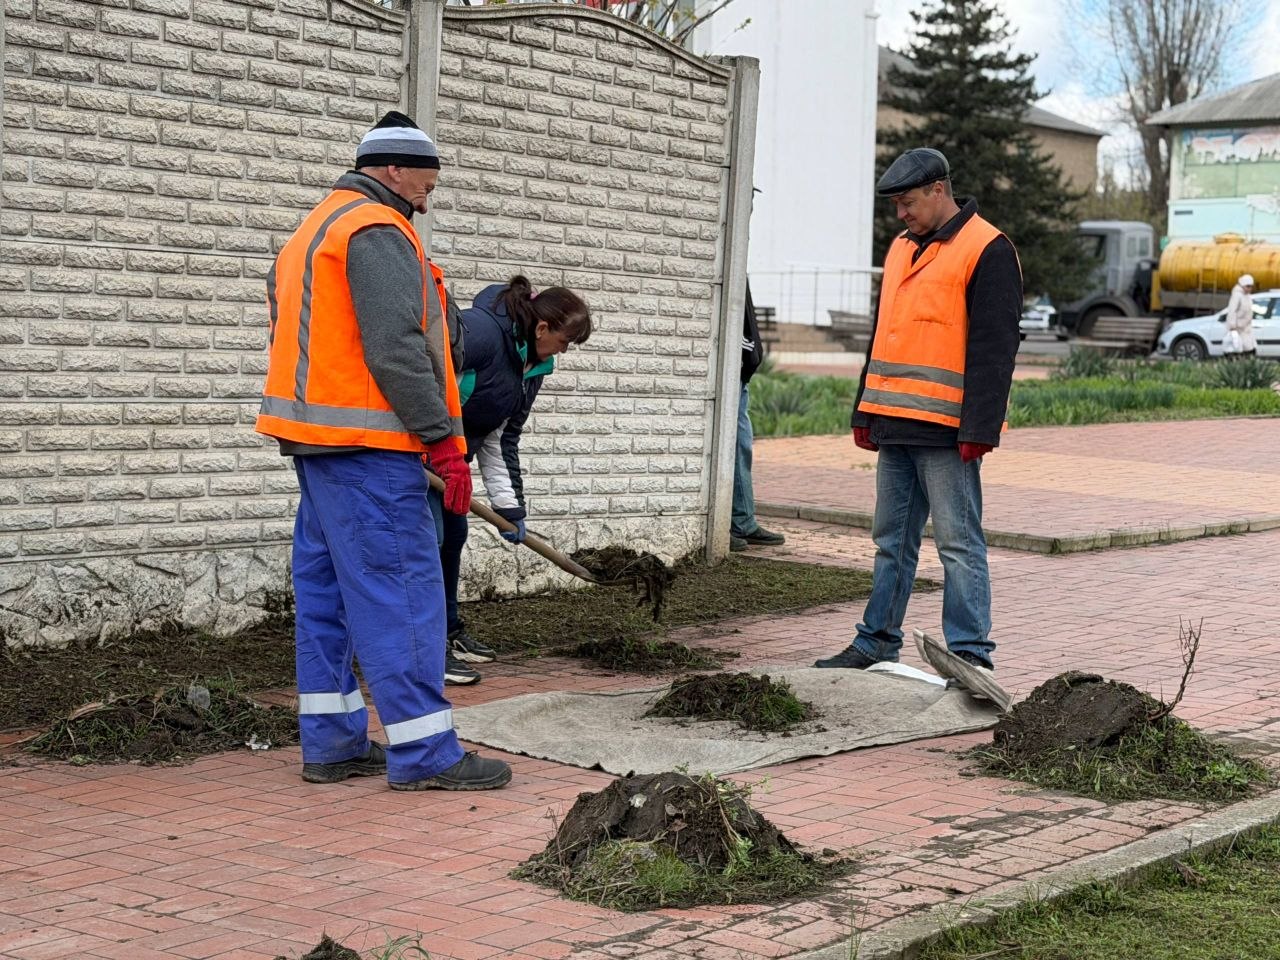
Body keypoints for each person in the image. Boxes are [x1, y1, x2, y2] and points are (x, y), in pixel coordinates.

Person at [256, 110, 511, 791]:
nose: (429, 197)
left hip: (318, 448)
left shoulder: (312, 231)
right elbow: (396, 347)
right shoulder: (374, 230)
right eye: (427, 183)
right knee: (401, 594)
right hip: (372, 450)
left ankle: (333, 743)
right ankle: (427, 753)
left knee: (329, 599)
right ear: (393, 169)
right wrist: (440, 440)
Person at [814, 147, 1021, 688]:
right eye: (896, 206)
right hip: (894, 422)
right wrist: (866, 407)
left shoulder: (987, 248)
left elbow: (994, 351)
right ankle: (876, 641)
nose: (900, 215)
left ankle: (972, 657)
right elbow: (886, 333)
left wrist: (980, 429)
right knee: (891, 541)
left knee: (957, 543)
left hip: (948, 431)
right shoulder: (902, 248)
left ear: (938, 189)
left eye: (907, 203)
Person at [432, 276, 593, 681]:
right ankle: (426, 649)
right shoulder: (481, 333)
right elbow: (424, 379)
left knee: (452, 538)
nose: (564, 350)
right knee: (425, 545)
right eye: (564, 341)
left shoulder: (533, 368)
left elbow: (500, 437)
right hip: (416, 458)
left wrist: (509, 506)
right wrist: (432, 450)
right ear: (542, 328)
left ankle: (449, 631)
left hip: (453, 466)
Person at [730, 281, 786, 552]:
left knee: (741, 445)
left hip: (738, 373)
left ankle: (742, 520)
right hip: (732, 369)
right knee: (738, 445)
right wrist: (748, 352)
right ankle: (737, 522)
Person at [1224, 273, 1257, 358]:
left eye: (1251, 286)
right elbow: (1232, 311)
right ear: (1243, 285)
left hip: (1246, 327)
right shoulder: (1237, 295)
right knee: (1239, 348)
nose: (1250, 289)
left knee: (1249, 348)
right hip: (1238, 328)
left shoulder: (1247, 296)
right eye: (1248, 286)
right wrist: (1232, 326)